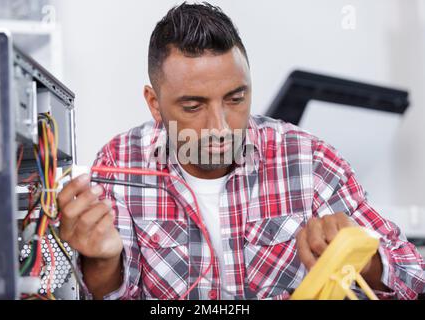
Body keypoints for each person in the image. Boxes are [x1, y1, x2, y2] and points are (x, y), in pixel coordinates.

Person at [57, 2, 425, 300]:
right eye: (192, 106)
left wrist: (365, 260)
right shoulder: (119, 165)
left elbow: (414, 278)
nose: (219, 126)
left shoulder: (308, 162)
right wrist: (103, 263)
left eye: (236, 99)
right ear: (154, 103)